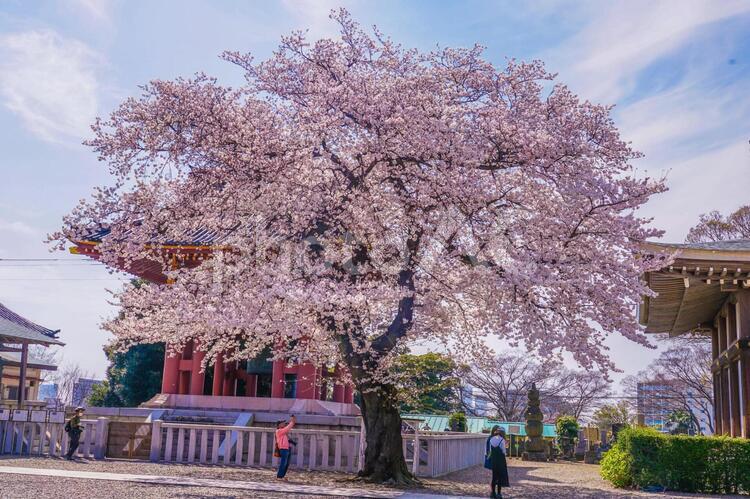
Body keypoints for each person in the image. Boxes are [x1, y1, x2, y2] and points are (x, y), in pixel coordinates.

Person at [486, 426, 510, 498]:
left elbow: (490, 451)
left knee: (494, 477)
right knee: (499, 478)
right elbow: (504, 452)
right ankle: (499, 494)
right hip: (500, 461)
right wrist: (506, 445)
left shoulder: (491, 439)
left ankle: (493, 493)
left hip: (494, 461)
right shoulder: (502, 440)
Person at [275, 415, 296, 479]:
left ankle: (282, 476)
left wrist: (293, 420)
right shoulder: (279, 431)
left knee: (287, 464)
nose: (284, 424)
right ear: (279, 425)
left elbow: (287, 429)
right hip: (283, 449)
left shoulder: (283, 432)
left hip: (287, 449)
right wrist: (292, 421)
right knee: (283, 463)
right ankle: (279, 476)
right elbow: (288, 427)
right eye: (282, 423)